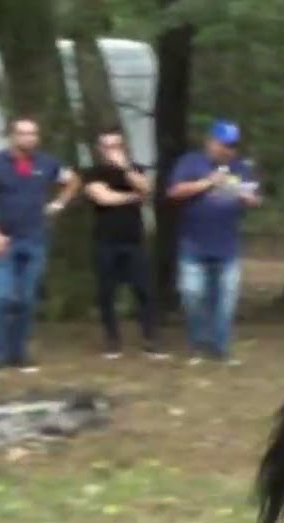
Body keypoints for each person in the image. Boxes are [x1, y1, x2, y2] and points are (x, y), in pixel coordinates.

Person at [0, 116, 80, 379]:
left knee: (27, 300)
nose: (29, 138)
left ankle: (19, 355)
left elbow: (73, 181)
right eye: (23, 133)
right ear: (12, 136)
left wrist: (58, 204)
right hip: (5, 241)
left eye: (33, 134)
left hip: (36, 240)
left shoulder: (47, 162)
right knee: (2, 298)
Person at [166, 119, 261, 365]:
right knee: (192, 295)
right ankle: (199, 343)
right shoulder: (191, 162)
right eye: (225, 145)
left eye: (233, 146)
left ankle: (221, 348)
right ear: (211, 142)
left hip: (227, 245)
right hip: (193, 243)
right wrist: (208, 182)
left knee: (226, 301)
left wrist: (249, 198)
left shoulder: (242, 168)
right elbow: (174, 192)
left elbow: (254, 197)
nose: (229, 150)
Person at [82, 127, 166, 359]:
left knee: (144, 290)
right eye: (107, 146)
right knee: (106, 292)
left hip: (134, 240)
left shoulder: (135, 169)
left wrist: (126, 169)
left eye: (117, 146)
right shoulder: (92, 173)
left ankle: (151, 339)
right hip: (105, 241)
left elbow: (146, 189)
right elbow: (103, 198)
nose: (112, 151)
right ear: (99, 150)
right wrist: (132, 197)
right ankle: (112, 340)